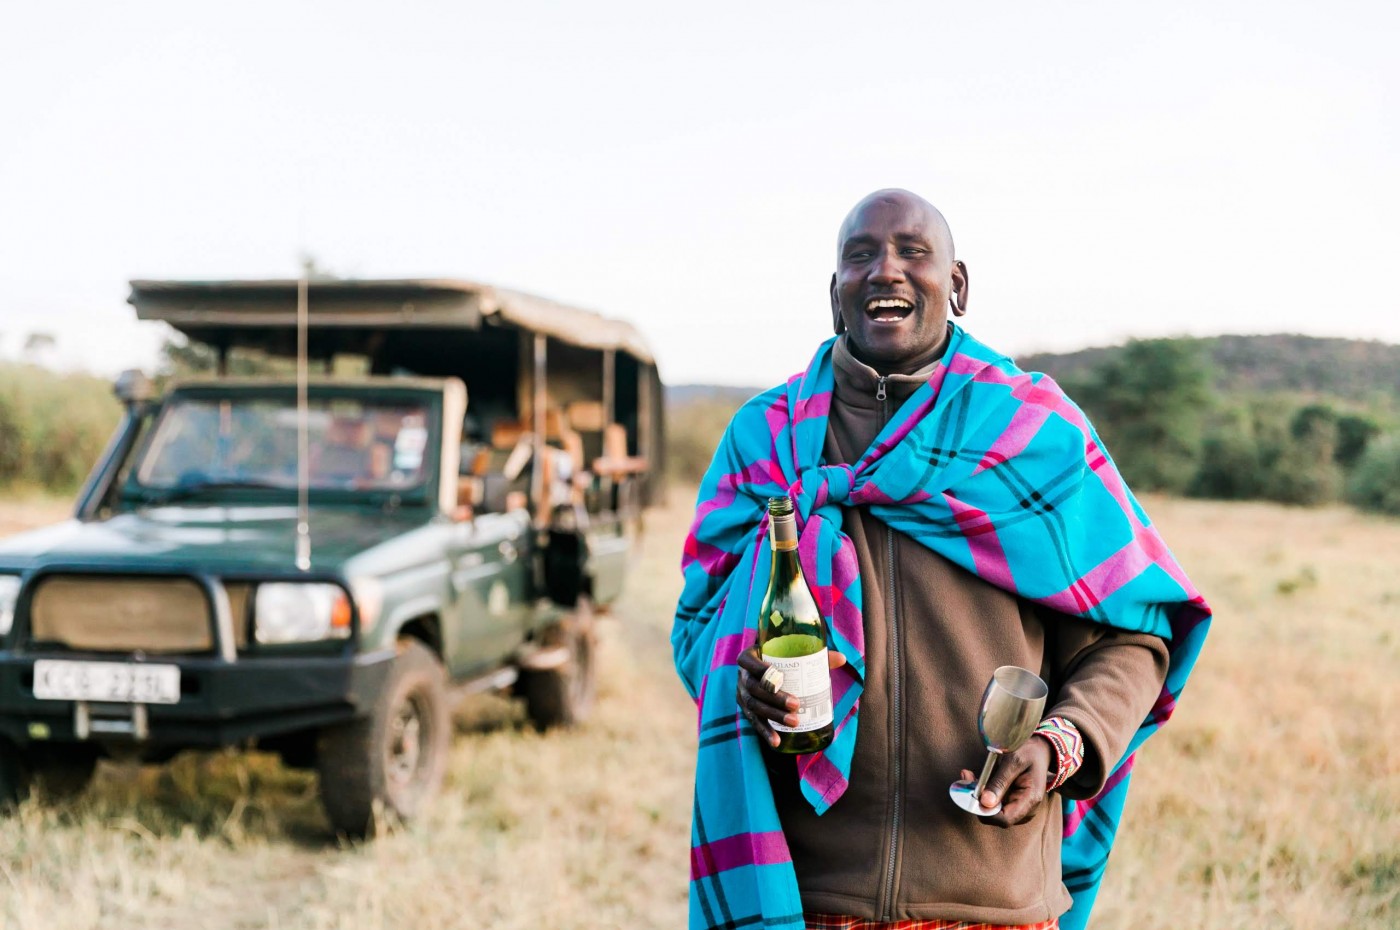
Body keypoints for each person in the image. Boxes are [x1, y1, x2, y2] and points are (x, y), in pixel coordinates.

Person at [671, 190, 1211, 930]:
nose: (884, 270)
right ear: (835, 294)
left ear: (957, 284)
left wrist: (1059, 744)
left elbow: (1133, 640)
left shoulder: (1035, 431)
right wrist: (745, 681)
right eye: (860, 255)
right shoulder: (762, 437)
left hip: (990, 893)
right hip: (806, 893)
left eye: (912, 251)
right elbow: (700, 625)